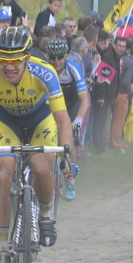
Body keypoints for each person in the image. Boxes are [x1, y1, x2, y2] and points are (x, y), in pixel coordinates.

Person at [0, 27, 76, 263]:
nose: (9, 67)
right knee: (1, 173)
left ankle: (45, 215)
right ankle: (3, 247)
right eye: (3, 60)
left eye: (16, 60)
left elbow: (62, 120)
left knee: (42, 167)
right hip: (7, 122)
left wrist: (67, 157)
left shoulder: (45, 72)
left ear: (27, 58)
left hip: (41, 120)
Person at [46, 37, 88, 200]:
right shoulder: (44, 68)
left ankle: (70, 181)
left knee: (68, 143)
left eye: (60, 57)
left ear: (65, 56)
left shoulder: (73, 67)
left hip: (71, 105)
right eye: (53, 58)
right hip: (50, 104)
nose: (57, 62)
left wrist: (77, 120)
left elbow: (84, 98)